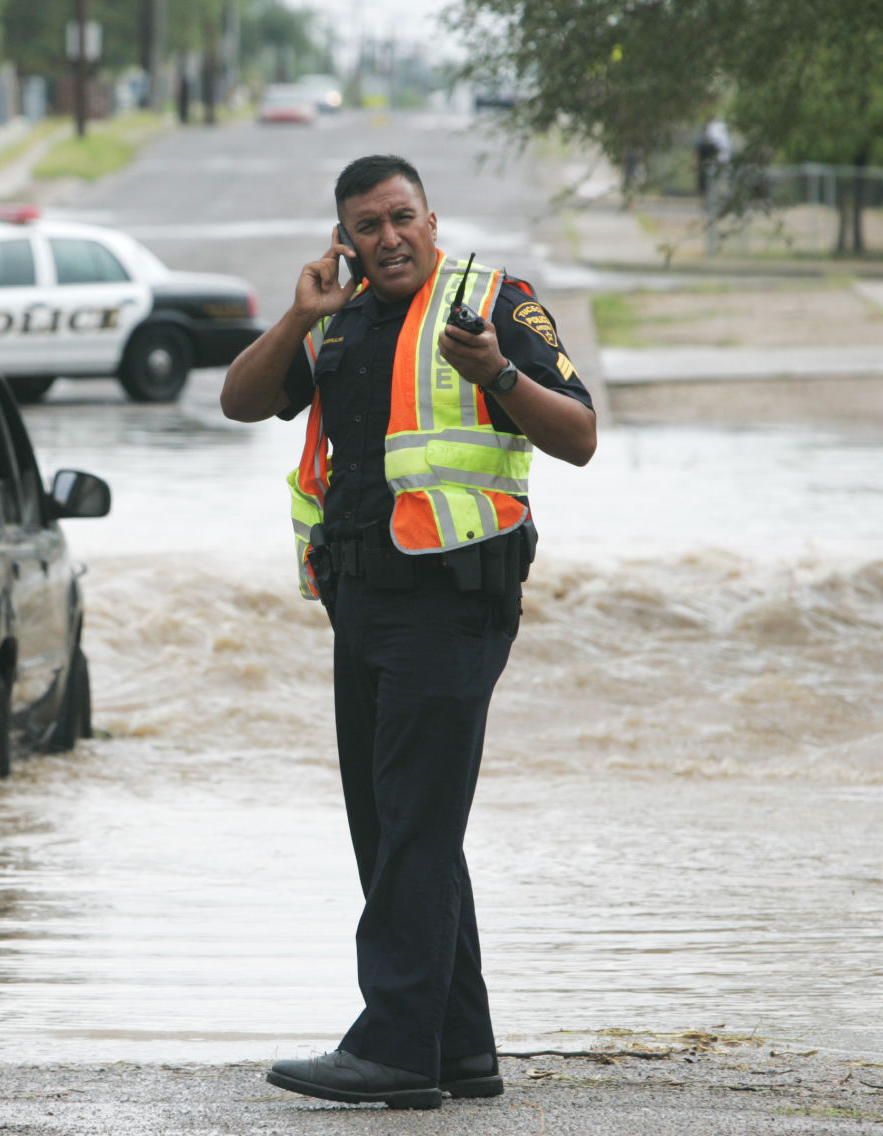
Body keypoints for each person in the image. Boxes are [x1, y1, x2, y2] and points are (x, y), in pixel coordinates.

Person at [220, 154, 596, 1110]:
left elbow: (579, 436)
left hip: (454, 599)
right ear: (344, 239)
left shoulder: (493, 302)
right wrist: (301, 314)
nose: (387, 239)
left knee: (414, 827)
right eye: (366, 227)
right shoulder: (340, 317)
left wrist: (499, 373)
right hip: (365, 599)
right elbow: (242, 398)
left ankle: (392, 1045)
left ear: (432, 220)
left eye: (401, 219)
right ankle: (458, 1050)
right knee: (393, 824)